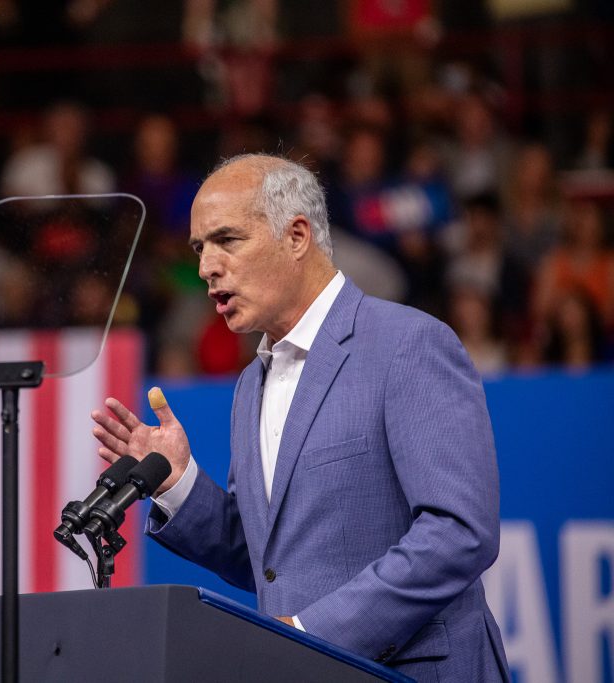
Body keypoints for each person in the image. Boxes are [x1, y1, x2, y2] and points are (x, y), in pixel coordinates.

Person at [91, 154, 510, 681]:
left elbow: (459, 533)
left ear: (296, 236)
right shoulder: (251, 384)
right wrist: (179, 484)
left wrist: (313, 636)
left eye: (227, 240)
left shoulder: (408, 344)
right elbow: (273, 561)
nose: (205, 267)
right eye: (200, 247)